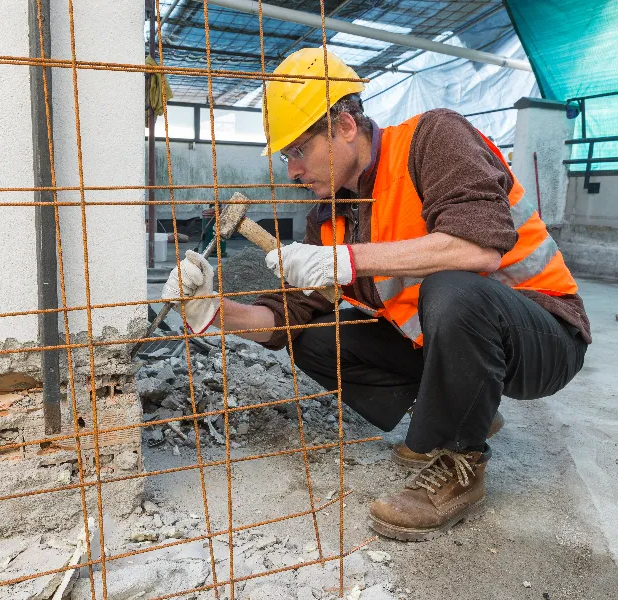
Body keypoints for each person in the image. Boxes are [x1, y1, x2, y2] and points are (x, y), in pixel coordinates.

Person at [161, 48, 590, 542]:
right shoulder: (329, 217)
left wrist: (347, 261)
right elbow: (289, 315)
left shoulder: (433, 139)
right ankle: (459, 410)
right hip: (451, 347)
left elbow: (480, 246)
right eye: (286, 156)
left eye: (298, 149)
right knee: (318, 338)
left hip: (544, 334)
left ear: (344, 126)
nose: (292, 170)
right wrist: (212, 311)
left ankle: (459, 463)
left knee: (453, 287)